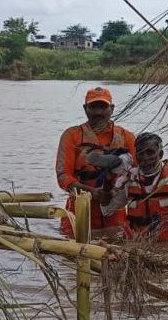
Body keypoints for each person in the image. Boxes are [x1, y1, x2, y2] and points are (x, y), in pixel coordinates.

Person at [55, 86, 136, 236]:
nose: (98, 112)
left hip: (115, 214)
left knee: (118, 245)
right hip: (79, 212)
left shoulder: (127, 137)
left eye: (103, 107)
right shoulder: (71, 136)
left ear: (112, 108)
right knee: (72, 246)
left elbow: (139, 173)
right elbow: (63, 176)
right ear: (85, 108)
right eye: (93, 107)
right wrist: (91, 192)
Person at [123, 132, 168, 241]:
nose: (145, 158)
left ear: (161, 154)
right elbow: (109, 209)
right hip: (138, 243)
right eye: (140, 153)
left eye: (150, 152)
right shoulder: (128, 179)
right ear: (135, 155)